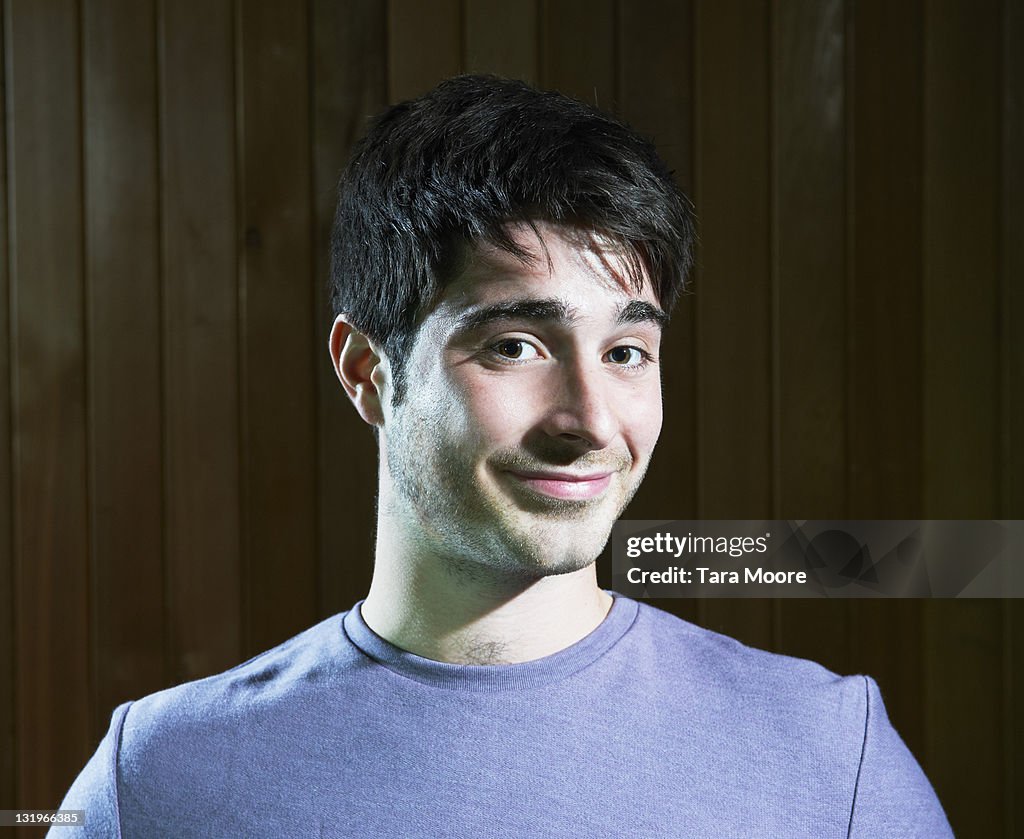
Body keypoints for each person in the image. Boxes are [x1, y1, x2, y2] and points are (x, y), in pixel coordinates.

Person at [54, 75, 952, 838]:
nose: (591, 419)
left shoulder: (833, 759)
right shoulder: (161, 783)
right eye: (515, 345)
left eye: (626, 351)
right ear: (368, 371)